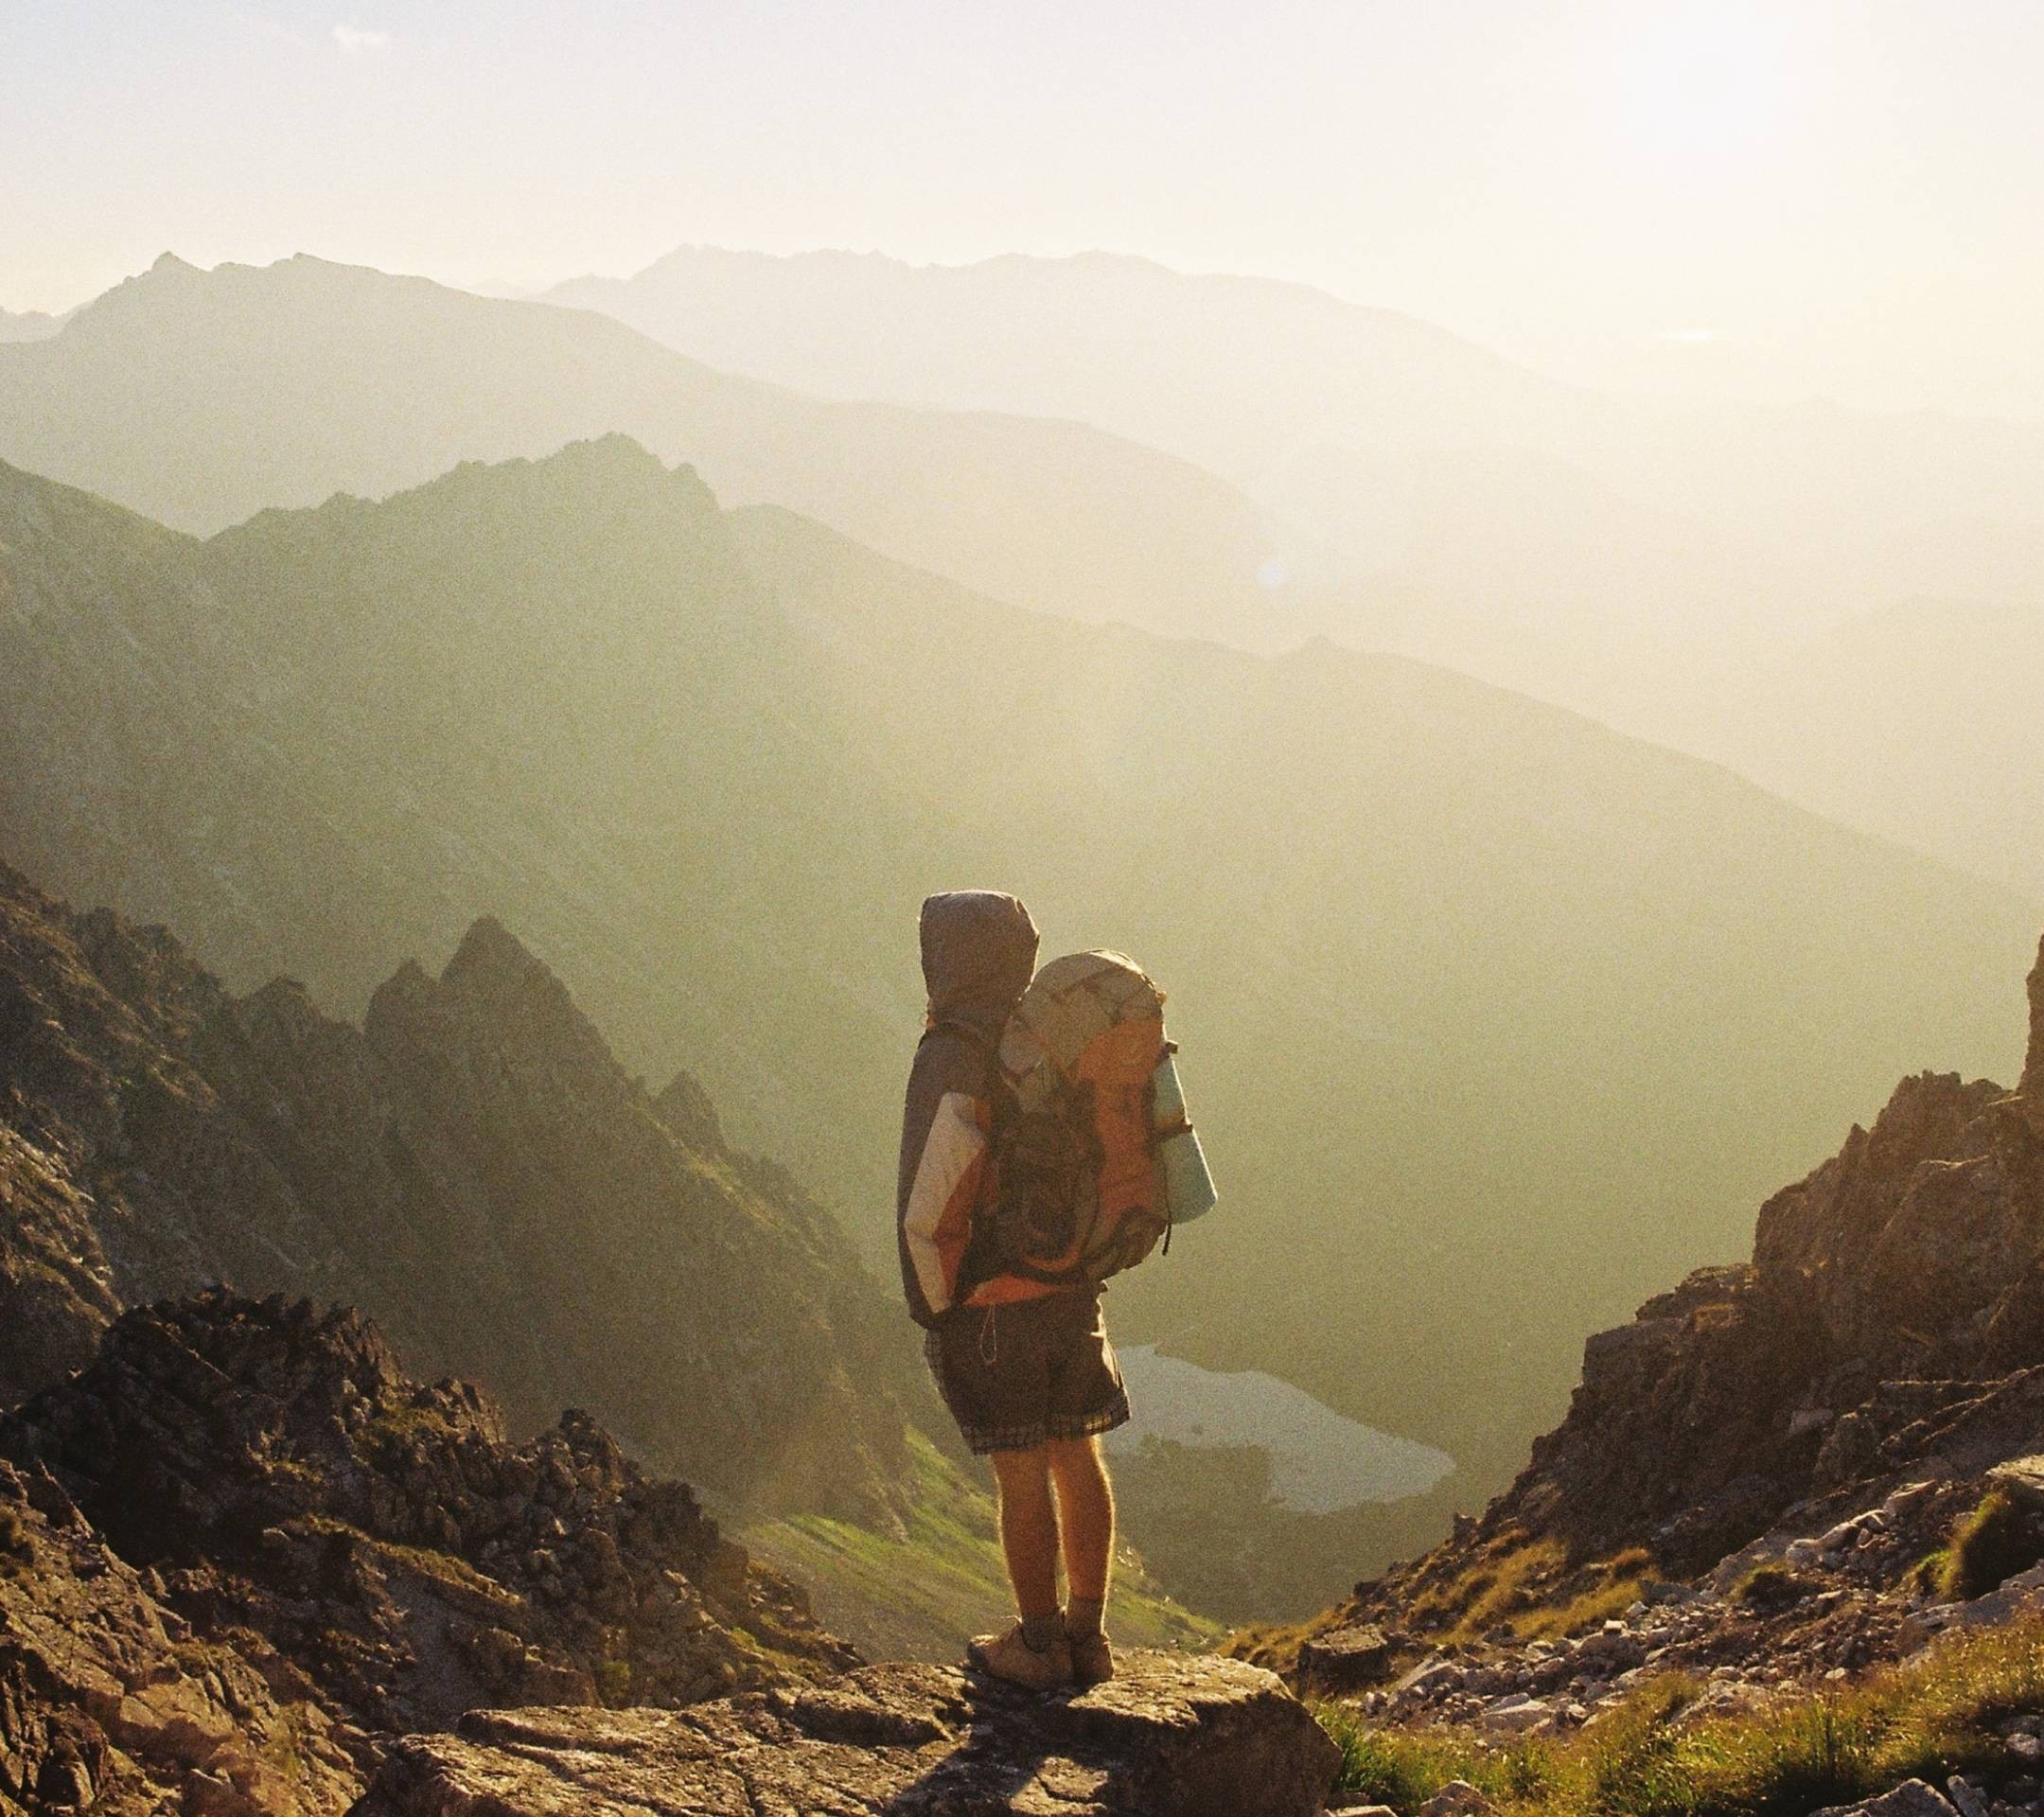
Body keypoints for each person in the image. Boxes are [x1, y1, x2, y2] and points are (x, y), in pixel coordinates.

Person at [897, 890, 1130, 1691]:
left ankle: (1035, 1646)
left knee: (1021, 1472)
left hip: (994, 1304)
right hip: (1072, 1286)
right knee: (1079, 1451)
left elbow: (931, 1195)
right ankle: (1089, 1637)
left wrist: (935, 1307)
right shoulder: (1052, 1040)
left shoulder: (953, 1053)